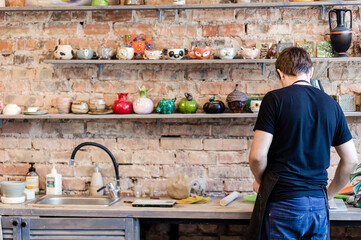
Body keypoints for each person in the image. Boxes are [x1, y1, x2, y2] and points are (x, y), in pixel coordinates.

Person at [247, 47, 358, 240]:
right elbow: (351, 161)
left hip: (283, 202)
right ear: (311, 71)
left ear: (280, 74)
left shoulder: (274, 100)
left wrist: (260, 181)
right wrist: (329, 194)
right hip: (318, 206)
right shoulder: (332, 106)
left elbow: (257, 156)